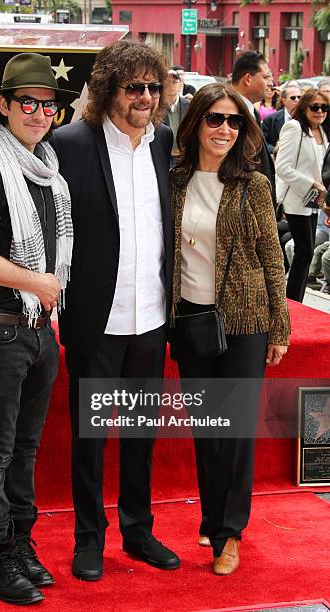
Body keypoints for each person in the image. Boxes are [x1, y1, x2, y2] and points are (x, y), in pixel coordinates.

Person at [51, 39, 180, 581]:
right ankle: (88, 537)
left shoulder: (164, 142)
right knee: (91, 437)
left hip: (150, 317)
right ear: (109, 91)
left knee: (140, 434)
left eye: (153, 87)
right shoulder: (70, 143)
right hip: (95, 321)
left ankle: (137, 530)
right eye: (135, 88)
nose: (146, 97)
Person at [0, 52, 78, 605]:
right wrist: (35, 282)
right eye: (26, 102)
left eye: (47, 104)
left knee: (26, 449)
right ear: (4, 106)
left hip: (37, 328)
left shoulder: (46, 166)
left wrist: (46, 296)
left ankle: (22, 545)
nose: (38, 112)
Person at [170, 82, 290, 576]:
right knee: (207, 427)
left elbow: (272, 259)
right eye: (215, 119)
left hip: (246, 320)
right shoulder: (174, 181)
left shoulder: (253, 185)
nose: (224, 129)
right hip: (192, 318)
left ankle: (230, 532)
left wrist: (279, 326)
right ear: (197, 122)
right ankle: (212, 515)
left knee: (236, 428)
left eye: (234, 121)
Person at [275, 88, 329, 302]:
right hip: (296, 200)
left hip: (314, 201)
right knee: (304, 251)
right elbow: (283, 167)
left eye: (324, 107)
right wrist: (310, 184)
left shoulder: (323, 132)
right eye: (314, 107)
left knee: (305, 252)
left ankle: (296, 300)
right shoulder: (294, 128)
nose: (319, 111)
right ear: (304, 107)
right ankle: (293, 301)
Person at [231, 51, 276, 206]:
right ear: (248, 79)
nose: (271, 83)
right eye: (265, 77)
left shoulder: (253, 112)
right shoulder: (229, 113)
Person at [262, 82, 303, 155]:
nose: (297, 100)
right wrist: (276, 149)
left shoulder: (307, 118)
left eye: (299, 97)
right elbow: (263, 142)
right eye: (293, 98)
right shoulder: (270, 120)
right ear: (284, 100)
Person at [163, 69, 189, 167]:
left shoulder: (189, 106)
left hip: (183, 156)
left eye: (175, 82)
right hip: (163, 156)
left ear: (181, 84)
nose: (171, 85)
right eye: (167, 81)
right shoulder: (156, 107)